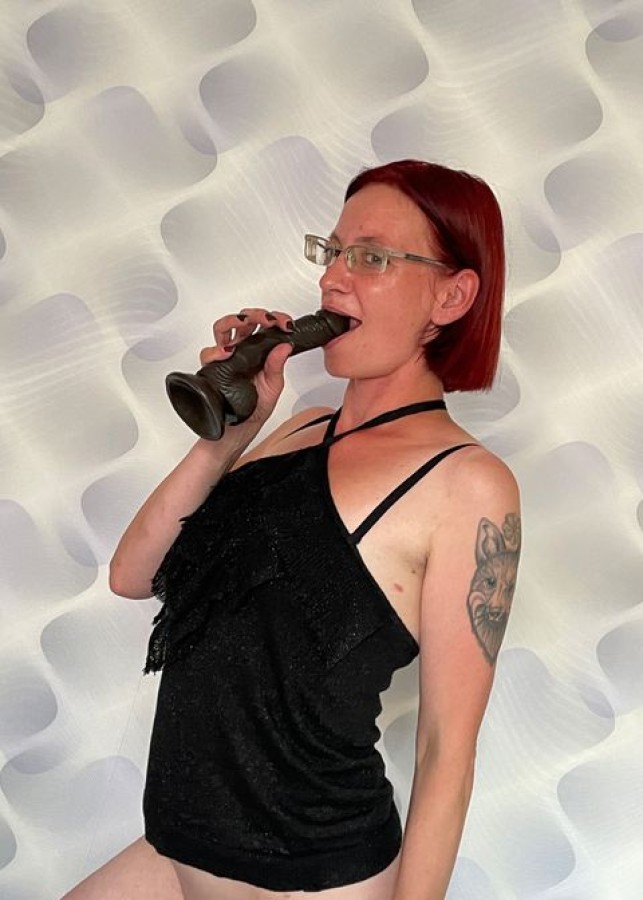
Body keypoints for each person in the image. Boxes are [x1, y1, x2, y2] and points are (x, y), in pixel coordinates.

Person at [64, 159, 520, 900]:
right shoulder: (300, 427)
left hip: (304, 875)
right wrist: (223, 438)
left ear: (451, 295)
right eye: (332, 252)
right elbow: (133, 576)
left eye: (371, 257)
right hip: (179, 840)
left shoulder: (467, 483)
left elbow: (445, 752)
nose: (332, 279)